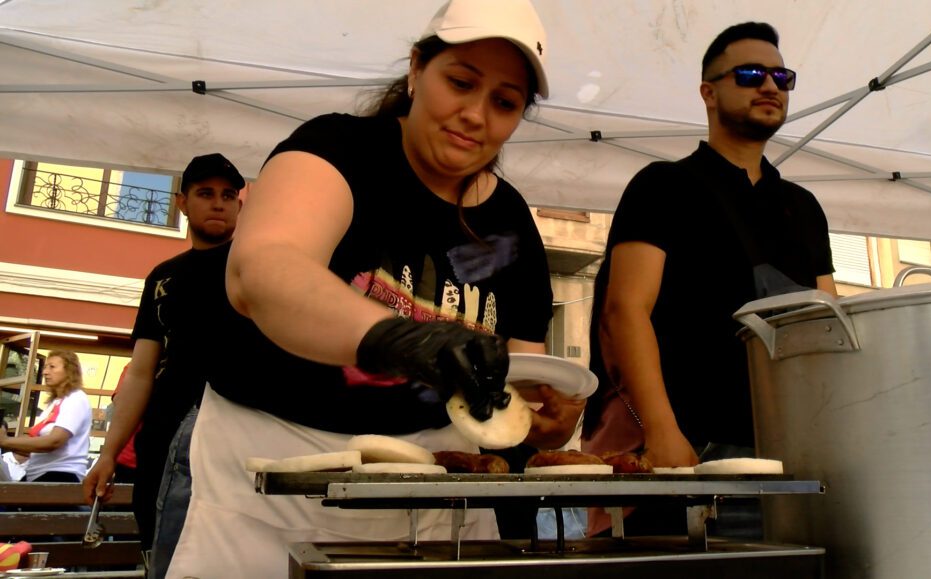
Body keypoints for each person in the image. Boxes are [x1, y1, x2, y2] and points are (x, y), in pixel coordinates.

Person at [165, 1, 584, 576]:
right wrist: (401, 339)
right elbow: (261, 271)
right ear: (416, 69)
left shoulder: (510, 222)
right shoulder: (338, 149)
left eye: (504, 102)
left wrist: (540, 418)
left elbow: (518, 373)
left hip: (439, 501)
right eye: (460, 83)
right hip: (267, 481)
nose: (475, 115)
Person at [583, 22, 837, 537]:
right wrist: (662, 432)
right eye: (749, 74)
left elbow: (827, 330)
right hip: (686, 452)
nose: (769, 85)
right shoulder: (665, 185)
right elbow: (625, 310)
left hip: (789, 457)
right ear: (709, 92)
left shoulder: (804, 208)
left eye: (781, 76)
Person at [82, 152, 244, 571]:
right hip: (160, 436)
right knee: (160, 556)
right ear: (182, 203)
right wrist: (109, 454)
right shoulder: (162, 277)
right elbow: (140, 371)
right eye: (205, 193)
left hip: (233, 436)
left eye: (228, 195)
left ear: (240, 206)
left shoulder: (255, 265)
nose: (218, 203)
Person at [0, 350, 91, 482]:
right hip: (38, 473)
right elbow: (33, 447)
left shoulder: (76, 398)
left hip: (61, 475)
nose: (45, 372)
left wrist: (5, 441)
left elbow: (54, 441)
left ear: (70, 371)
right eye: (45, 367)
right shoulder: (53, 404)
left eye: (52, 367)